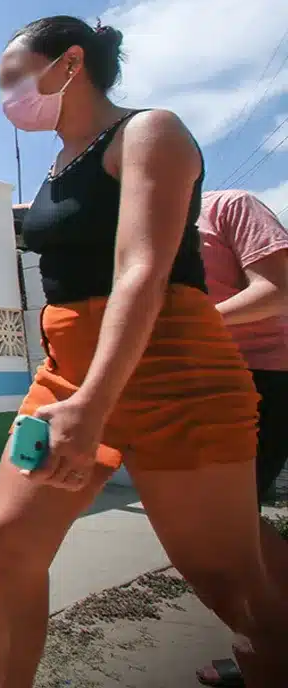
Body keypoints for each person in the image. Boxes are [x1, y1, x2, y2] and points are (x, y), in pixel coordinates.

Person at [0, 15, 288, 687]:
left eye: (15, 77)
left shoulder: (150, 132)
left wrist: (94, 405)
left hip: (175, 373)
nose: (7, 97)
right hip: (65, 375)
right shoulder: (58, 166)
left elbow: (141, 269)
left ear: (70, 63)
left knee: (232, 588)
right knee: (10, 539)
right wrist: (80, 394)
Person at [193, 189, 288, 687]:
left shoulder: (228, 207)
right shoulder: (134, 230)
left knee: (228, 529)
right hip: (201, 385)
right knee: (225, 525)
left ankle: (266, 649)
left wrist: (190, 326)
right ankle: (268, 645)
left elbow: (278, 290)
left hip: (263, 376)